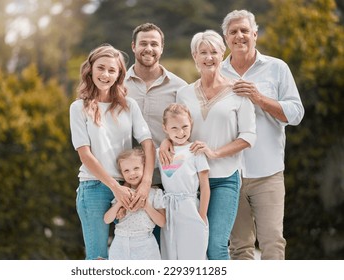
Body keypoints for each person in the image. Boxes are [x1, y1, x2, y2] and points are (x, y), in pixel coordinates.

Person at [159, 30, 256, 260]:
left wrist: (214, 152)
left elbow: (249, 136)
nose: (209, 57)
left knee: (215, 245)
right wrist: (165, 141)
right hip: (188, 183)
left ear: (223, 54)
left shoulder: (238, 92)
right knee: (192, 247)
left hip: (223, 179)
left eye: (214, 51)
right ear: (195, 56)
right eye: (203, 52)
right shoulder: (183, 93)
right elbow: (175, 125)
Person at [220, 10, 304, 260]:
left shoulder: (277, 68)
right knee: (239, 247)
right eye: (233, 32)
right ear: (226, 38)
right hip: (230, 174)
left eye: (245, 30)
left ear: (255, 35)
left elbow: (296, 113)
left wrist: (259, 99)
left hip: (268, 173)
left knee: (273, 243)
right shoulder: (217, 72)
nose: (239, 36)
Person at [69, 44, 155, 260]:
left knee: (134, 255)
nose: (105, 74)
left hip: (130, 188)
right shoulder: (78, 108)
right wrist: (115, 188)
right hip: (94, 188)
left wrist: (144, 184)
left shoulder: (129, 106)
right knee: (98, 259)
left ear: (119, 75)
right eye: (101, 68)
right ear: (90, 70)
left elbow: (148, 143)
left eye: (111, 70)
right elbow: (85, 155)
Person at [125, 22, 188, 244]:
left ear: (162, 48)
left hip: (167, 180)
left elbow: (187, 129)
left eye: (154, 44)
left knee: (165, 247)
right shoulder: (118, 85)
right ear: (133, 46)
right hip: (127, 182)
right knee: (132, 244)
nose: (148, 48)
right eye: (143, 43)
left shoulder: (180, 88)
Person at [158, 103, 210, 260]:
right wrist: (163, 143)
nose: (180, 133)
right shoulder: (161, 152)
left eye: (185, 127)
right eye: (174, 128)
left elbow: (205, 186)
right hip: (169, 211)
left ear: (191, 124)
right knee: (171, 255)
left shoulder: (195, 151)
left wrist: (201, 216)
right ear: (165, 128)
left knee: (193, 256)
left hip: (190, 208)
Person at [104, 148, 166, 260]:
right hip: (120, 243)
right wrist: (119, 204)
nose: (132, 173)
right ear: (121, 173)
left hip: (145, 244)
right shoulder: (121, 193)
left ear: (145, 168)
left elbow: (162, 222)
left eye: (136, 168)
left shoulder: (155, 193)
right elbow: (107, 219)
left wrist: (146, 205)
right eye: (126, 170)